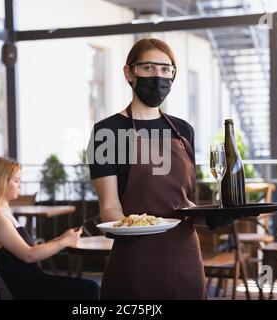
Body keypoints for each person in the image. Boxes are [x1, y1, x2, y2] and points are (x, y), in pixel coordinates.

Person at [88, 38, 207, 299]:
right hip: (136, 258)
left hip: (185, 255)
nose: (158, 76)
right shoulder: (108, 132)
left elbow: (183, 200)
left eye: (166, 69)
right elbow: (109, 205)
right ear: (129, 72)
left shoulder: (183, 131)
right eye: (149, 68)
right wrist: (124, 229)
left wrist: (212, 216)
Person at [0, 157, 99, 300]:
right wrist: (63, 242)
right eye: (16, 180)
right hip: (28, 289)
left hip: (32, 282)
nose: (20, 185)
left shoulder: (3, 212)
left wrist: (63, 238)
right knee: (89, 289)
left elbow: (29, 249)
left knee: (88, 287)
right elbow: (29, 255)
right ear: (0, 183)